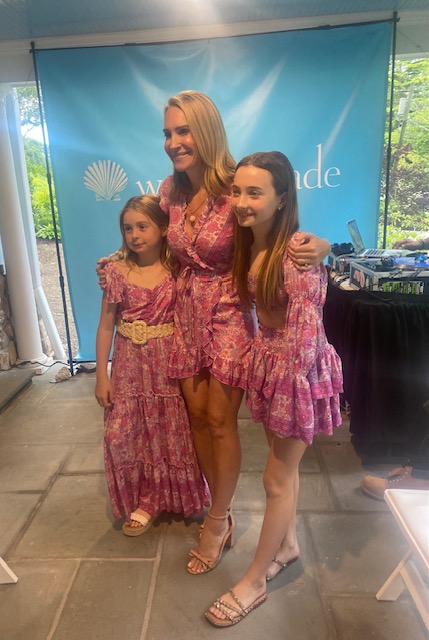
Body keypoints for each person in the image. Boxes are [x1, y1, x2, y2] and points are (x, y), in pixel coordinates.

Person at [97, 91, 331, 573]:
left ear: (206, 131)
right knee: (197, 419)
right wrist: (119, 262)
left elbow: (276, 227)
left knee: (222, 421)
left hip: (227, 311)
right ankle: (213, 503)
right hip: (183, 312)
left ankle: (218, 520)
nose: (173, 142)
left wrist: (322, 244)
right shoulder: (171, 191)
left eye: (183, 130)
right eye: (167, 133)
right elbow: (148, 238)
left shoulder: (235, 186)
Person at [205, 151, 343, 628]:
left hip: (295, 373)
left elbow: (304, 340)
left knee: (275, 479)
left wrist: (286, 385)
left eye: (255, 192)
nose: (242, 202)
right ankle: (287, 546)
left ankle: (255, 581)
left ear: (282, 198)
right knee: (285, 472)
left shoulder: (296, 255)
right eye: (237, 191)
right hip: (271, 363)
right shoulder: (253, 244)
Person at [95, 195, 208, 536]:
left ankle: (169, 497)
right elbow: (105, 325)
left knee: (168, 432)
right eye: (128, 228)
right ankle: (144, 497)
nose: (134, 235)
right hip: (128, 366)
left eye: (142, 226)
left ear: (162, 227)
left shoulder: (178, 270)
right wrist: (101, 375)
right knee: (124, 434)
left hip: (167, 364)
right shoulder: (116, 272)